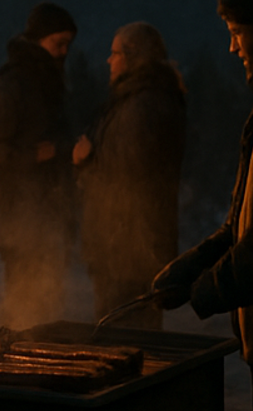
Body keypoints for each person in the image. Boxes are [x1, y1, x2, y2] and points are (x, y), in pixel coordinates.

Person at [151, 0, 253, 409]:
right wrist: (194, 264)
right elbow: (242, 225)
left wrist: (212, 286)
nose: (232, 48)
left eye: (237, 31)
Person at [72, 22, 185, 329]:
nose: (109, 60)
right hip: (125, 248)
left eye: (115, 53)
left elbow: (129, 181)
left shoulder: (143, 105)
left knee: (127, 342)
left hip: (127, 252)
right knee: (130, 339)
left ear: (135, 57)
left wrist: (86, 161)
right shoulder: (137, 100)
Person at [0, 2, 77, 329]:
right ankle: (19, 357)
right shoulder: (10, 86)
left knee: (45, 298)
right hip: (16, 217)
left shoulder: (48, 84)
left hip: (43, 213)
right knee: (24, 298)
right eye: (57, 44)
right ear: (37, 40)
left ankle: (36, 355)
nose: (63, 52)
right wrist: (32, 157)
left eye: (67, 45)